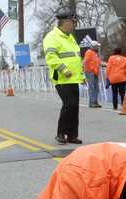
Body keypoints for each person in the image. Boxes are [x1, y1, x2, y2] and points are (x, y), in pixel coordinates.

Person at [42, 11, 84, 145]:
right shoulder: (52, 37)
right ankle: (61, 133)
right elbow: (50, 58)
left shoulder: (70, 37)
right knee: (69, 104)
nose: (74, 25)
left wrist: (82, 75)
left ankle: (72, 135)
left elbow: (77, 58)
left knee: (75, 106)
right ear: (65, 22)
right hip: (61, 78)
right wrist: (64, 69)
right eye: (73, 22)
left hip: (74, 78)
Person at [106, 47, 126, 113]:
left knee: (114, 92)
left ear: (114, 52)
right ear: (120, 52)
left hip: (113, 78)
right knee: (122, 93)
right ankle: (123, 106)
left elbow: (108, 68)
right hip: (122, 78)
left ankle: (115, 106)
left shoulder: (111, 58)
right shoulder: (125, 59)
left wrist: (107, 76)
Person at [83, 41, 101, 108]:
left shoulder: (95, 53)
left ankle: (95, 102)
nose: (98, 47)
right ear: (93, 46)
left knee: (96, 88)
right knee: (92, 87)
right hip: (90, 72)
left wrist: (106, 64)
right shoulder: (89, 52)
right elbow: (85, 61)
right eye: (97, 46)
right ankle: (91, 103)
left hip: (95, 72)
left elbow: (98, 62)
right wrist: (83, 69)